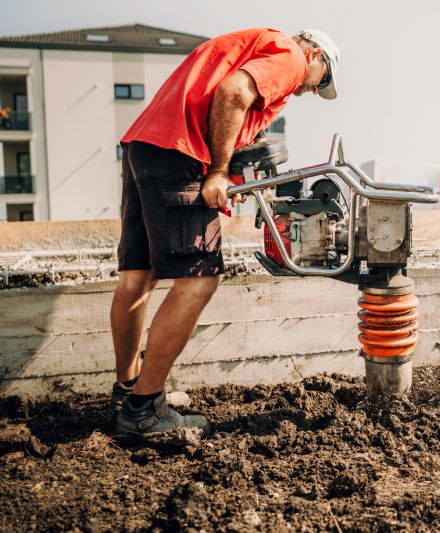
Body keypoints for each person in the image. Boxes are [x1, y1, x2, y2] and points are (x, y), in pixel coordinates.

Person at [111, 28, 339, 437]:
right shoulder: (291, 56)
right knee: (199, 279)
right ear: (316, 55)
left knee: (137, 277)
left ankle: (128, 391)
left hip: (144, 146)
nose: (311, 90)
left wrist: (232, 168)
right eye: (321, 80)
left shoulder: (253, 44)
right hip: (179, 153)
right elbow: (233, 93)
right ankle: (142, 410)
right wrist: (217, 172)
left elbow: (222, 100)